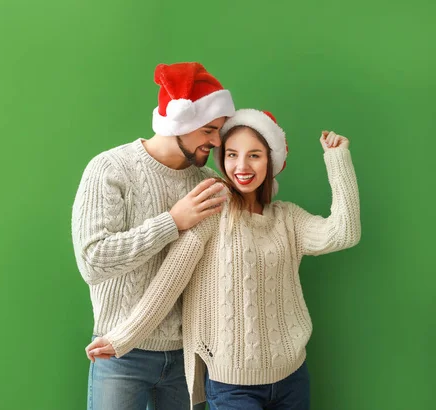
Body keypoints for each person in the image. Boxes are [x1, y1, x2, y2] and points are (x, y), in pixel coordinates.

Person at [86, 108, 361, 409]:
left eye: (254, 155)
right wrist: (123, 338)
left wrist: (338, 160)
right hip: (232, 386)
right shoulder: (212, 210)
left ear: (271, 161)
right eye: (232, 154)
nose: (242, 165)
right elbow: (170, 281)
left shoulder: (288, 219)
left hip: (292, 376)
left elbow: (344, 233)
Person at [72, 62, 236, 410]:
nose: (216, 141)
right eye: (209, 129)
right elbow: (93, 261)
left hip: (187, 358)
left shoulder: (205, 182)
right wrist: (173, 222)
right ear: (181, 122)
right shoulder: (110, 169)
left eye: (219, 131)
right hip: (121, 352)